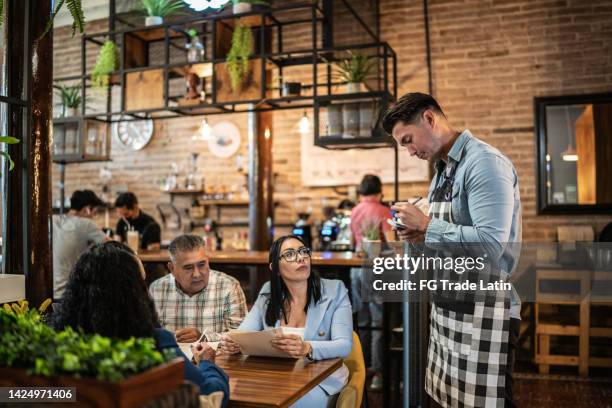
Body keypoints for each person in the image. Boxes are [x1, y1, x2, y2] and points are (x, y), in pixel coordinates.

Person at [382, 92, 522, 407]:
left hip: (487, 311)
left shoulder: (483, 162)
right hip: (451, 309)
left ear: (430, 119)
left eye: (407, 140)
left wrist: (429, 226)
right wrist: (417, 236)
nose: (409, 151)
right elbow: (450, 244)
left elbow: (489, 245)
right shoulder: (442, 172)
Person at [52, 242, 229, 406]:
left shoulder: (59, 344)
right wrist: (207, 363)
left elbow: (40, 394)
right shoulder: (154, 342)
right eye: (141, 284)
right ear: (132, 293)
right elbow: (212, 393)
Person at [220, 235, 353, 407]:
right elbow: (244, 333)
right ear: (275, 268)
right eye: (290, 254)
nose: (301, 257)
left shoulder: (335, 290)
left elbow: (344, 345)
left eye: (303, 251)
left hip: (320, 381)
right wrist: (232, 342)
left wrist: (307, 347)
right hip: (277, 377)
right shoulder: (269, 292)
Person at [150, 234, 247, 343]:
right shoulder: (157, 289)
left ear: (208, 261)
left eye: (201, 265)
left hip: (216, 359)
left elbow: (241, 337)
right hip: (172, 358)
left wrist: (204, 338)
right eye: (188, 267)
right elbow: (147, 335)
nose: (196, 274)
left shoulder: (229, 286)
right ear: (172, 268)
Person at [349, 174, 394, 391]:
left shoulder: (355, 210)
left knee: (362, 319)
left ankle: (361, 367)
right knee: (379, 320)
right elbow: (393, 243)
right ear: (380, 190)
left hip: (356, 270)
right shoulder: (383, 211)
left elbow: (352, 241)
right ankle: (378, 373)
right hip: (376, 269)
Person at [52, 189, 109, 299]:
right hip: (72, 295)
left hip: (49, 293)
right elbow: (115, 247)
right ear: (87, 209)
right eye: (95, 212)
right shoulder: (86, 224)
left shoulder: (53, 220)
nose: (93, 216)